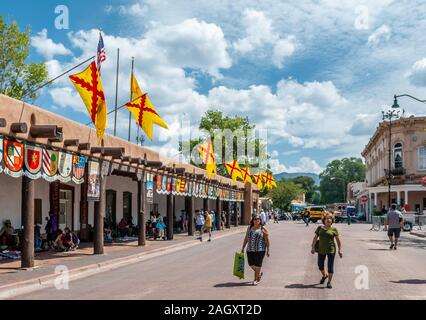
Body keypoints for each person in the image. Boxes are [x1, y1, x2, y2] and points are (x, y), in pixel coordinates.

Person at [311, 213, 342, 289]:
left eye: (330, 218)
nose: (328, 220)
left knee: (330, 267)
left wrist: (340, 250)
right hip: (321, 250)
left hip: (331, 250)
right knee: (320, 265)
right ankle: (325, 275)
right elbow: (315, 238)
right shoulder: (319, 228)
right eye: (326, 218)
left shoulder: (334, 230)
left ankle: (329, 282)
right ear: (324, 220)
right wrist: (313, 247)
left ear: (332, 221)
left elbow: (338, 241)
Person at [241, 214, 270, 286]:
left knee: (258, 265)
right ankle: (259, 274)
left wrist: (268, 250)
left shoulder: (263, 229)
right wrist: (243, 247)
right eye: (255, 219)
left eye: (258, 219)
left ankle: (255, 280)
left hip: (260, 250)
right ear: (253, 221)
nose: (257, 220)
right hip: (250, 249)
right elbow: (246, 238)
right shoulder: (249, 228)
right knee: (250, 264)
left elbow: (267, 240)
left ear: (260, 221)